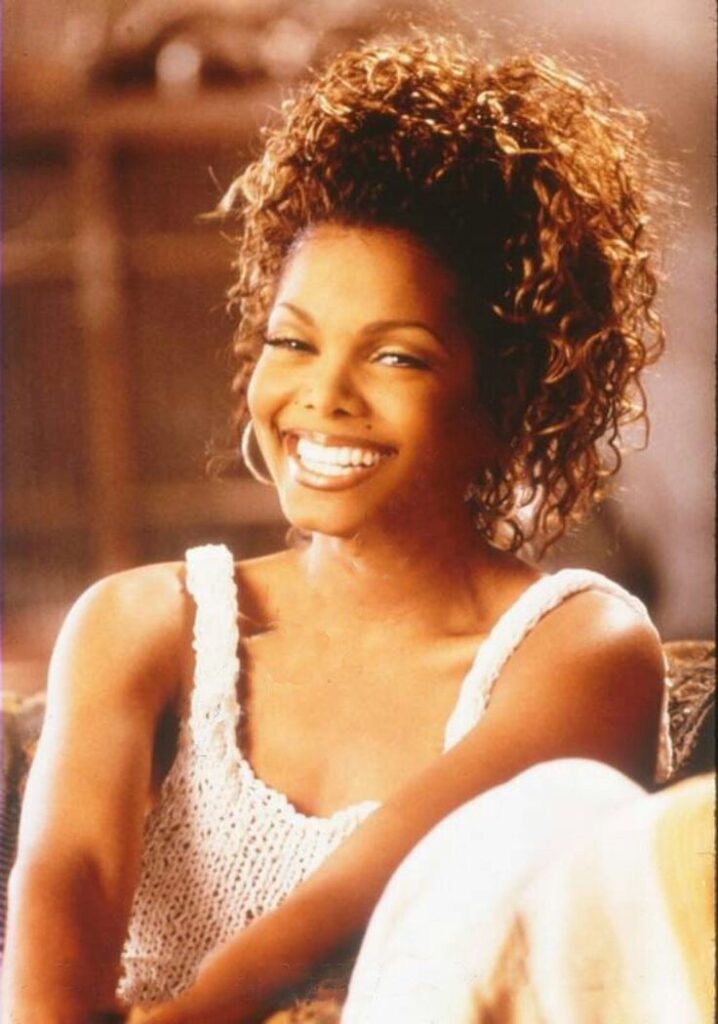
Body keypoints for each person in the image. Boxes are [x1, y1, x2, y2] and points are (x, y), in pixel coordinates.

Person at [3, 29, 687, 1024]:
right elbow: (61, 890)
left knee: (571, 812)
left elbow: (348, 908)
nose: (323, 396)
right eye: (293, 342)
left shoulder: (584, 648)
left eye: (396, 356)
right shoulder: (141, 624)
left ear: (506, 397)